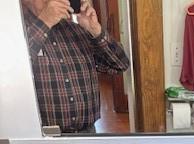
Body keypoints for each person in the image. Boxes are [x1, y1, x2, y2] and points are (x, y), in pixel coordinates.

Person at [21, 0, 130, 133]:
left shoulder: (75, 30)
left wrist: (95, 30)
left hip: (88, 134)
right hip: (42, 139)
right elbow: (10, 71)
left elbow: (120, 64)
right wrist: (45, 22)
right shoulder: (14, 31)